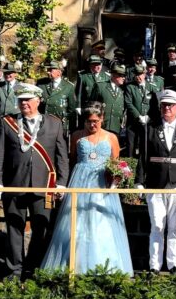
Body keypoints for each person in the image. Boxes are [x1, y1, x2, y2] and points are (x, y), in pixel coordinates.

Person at [41, 103, 133, 275]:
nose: (93, 125)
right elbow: (72, 158)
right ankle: (74, 264)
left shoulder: (111, 137)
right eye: (89, 121)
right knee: (77, 220)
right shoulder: (77, 136)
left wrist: (115, 177)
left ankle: (106, 265)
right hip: (81, 180)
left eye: (96, 121)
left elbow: (116, 162)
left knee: (102, 220)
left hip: (101, 182)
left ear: (102, 119)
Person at [0, 83, 69, 280]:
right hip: (14, 184)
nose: (24, 103)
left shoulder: (54, 123)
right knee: (14, 229)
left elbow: (62, 157)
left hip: (44, 186)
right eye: (21, 100)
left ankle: (34, 269)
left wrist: (61, 182)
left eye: (27, 99)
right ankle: (14, 271)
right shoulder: (7, 123)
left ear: (38, 101)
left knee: (40, 228)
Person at [135, 89, 176, 273]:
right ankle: (154, 265)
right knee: (157, 225)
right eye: (163, 105)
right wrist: (139, 181)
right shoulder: (150, 128)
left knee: (175, 226)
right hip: (155, 184)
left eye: (170, 105)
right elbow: (143, 158)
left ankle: (174, 265)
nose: (166, 108)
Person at [39, 61, 78, 137]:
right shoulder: (42, 84)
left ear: (59, 72)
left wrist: (72, 128)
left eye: (51, 70)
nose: (48, 72)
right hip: (45, 123)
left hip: (60, 124)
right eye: (48, 70)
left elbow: (72, 109)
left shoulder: (68, 86)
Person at [88, 63, 126, 135]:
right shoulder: (101, 86)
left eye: (124, 76)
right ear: (114, 75)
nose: (123, 78)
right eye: (121, 75)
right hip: (101, 126)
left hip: (116, 127)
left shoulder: (121, 92)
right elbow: (92, 106)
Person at [125, 64, 152, 158]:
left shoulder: (151, 87)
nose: (138, 77)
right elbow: (128, 103)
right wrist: (138, 116)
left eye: (140, 74)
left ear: (144, 74)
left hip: (147, 121)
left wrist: (148, 116)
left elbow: (155, 103)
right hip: (133, 122)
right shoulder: (130, 87)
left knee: (144, 145)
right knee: (131, 145)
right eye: (136, 74)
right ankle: (129, 168)